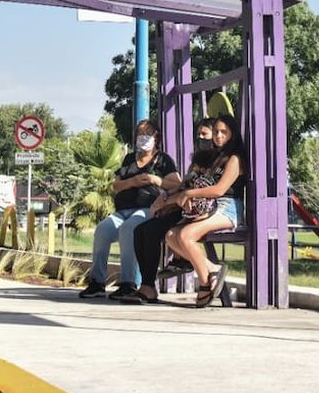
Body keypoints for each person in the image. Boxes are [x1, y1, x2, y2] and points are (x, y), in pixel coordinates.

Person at [78, 119, 180, 300]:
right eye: (141, 134)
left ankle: (128, 283)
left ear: (157, 137)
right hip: (123, 209)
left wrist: (155, 180)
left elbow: (176, 184)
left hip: (147, 209)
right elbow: (115, 185)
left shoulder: (163, 160)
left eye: (148, 133)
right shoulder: (129, 159)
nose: (144, 138)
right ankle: (97, 282)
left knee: (129, 229)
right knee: (102, 230)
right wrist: (132, 182)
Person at [120, 117, 215, 304]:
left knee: (152, 230)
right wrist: (166, 198)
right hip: (181, 207)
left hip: (200, 209)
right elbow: (184, 185)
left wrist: (171, 198)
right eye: (198, 134)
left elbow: (204, 190)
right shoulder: (197, 160)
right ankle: (147, 287)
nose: (200, 138)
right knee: (141, 230)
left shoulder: (217, 161)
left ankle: (151, 283)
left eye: (205, 134)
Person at [165, 114, 246, 307]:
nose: (218, 136)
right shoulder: (215, 157)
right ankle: (211, 269)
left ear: (232, 134)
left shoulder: (234, 159)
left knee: (186, 235)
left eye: (223, 132)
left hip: (228, 207)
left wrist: (191, 193)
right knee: (170, 235)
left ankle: (204, 283)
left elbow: (219, 190)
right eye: (216, 132)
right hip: (210, 205)